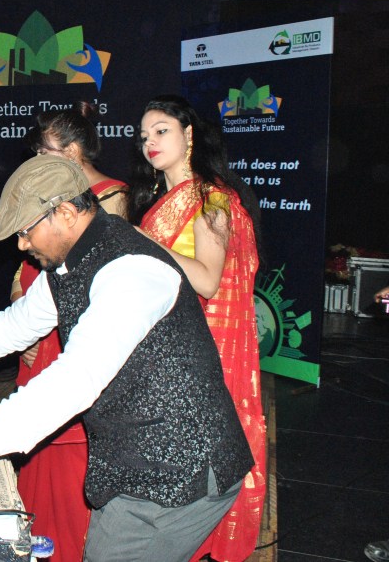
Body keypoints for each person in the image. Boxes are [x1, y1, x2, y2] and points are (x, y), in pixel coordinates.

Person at [0, 155, 253, 562]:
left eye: (26, 231)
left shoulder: (133, 271)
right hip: (142, 460)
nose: (22, 245)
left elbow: (76, 378)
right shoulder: (76, 259)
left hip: (179, 471)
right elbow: (18, 324)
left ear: (66, 213)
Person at [127, 94, 266, 562]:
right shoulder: (157, 203)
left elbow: (207, 280)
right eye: (144, 135)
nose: (150, 141)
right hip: (164, 345)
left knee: (201, 448)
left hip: (203, 348)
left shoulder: (212, 199)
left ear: (189, 135)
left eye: (161, 130)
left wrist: (146, 244)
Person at [9, 102, 128, 562]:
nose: (38, 159)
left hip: (69, 329)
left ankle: (68, 547)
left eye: (46, 151)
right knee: (33, 441)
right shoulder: (46, 190)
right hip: (38, 317)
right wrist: (22, 314)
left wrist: (41, 327)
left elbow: (90, 277)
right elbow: (23, 266)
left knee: (67, 442)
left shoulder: (110, 196)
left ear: (74, 151)